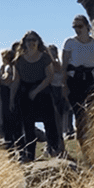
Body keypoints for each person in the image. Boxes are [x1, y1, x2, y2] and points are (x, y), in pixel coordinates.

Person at [10, 32, 61, 161]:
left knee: (50, 123)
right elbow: (16, 80)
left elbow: (50, 76)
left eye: (34, 40)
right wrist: (11, 99)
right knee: (28, 126)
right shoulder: (19, 60)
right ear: (24, 43)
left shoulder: (44, 57)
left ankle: (54, 151)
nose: (31, 42)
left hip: (43, 92)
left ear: (38, 42)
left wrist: (36, 90)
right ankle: (30, 155)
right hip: (25, 93)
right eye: (28, 40)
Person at [63, 14, 94, 145]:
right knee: (79, 116)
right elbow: (64, 67)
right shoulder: (70, 43)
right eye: (74, 27)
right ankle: (83, 145)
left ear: (87, 26)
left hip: (93, 81)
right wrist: (64, 86)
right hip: (75, 82)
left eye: (80, 26)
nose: (77, 29)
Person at [47, 45, 73, 140]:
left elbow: (65, 77)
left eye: (54, 52)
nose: (52, 54)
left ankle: (67, 131)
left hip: (61, 89)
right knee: (53, 113)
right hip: (52, 90)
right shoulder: (47, 66)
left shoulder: (61, 65)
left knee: (65, 110)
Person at [0, 49, 16, 141]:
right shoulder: (6, 67)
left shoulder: (8, 68)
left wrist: (2, 77)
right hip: (5, 91)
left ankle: (8, 138)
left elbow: (6, 79)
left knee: (5, 113)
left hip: (6, 91)